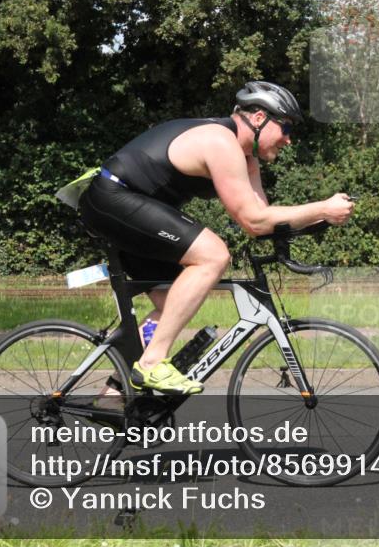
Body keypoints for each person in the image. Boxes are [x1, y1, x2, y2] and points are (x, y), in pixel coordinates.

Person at [77, 81, 355, 395]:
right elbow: (252, 220)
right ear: (261, 118)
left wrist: (321, 218)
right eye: (287, 128)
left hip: (130, 206)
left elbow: (263, 218)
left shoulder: (247, 158)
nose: (289, 140)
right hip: (113, 198)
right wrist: (323, 207)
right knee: (213, 255)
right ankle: (152, 364)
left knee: (172, 305)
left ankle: (113, 396)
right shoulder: (221, 142)